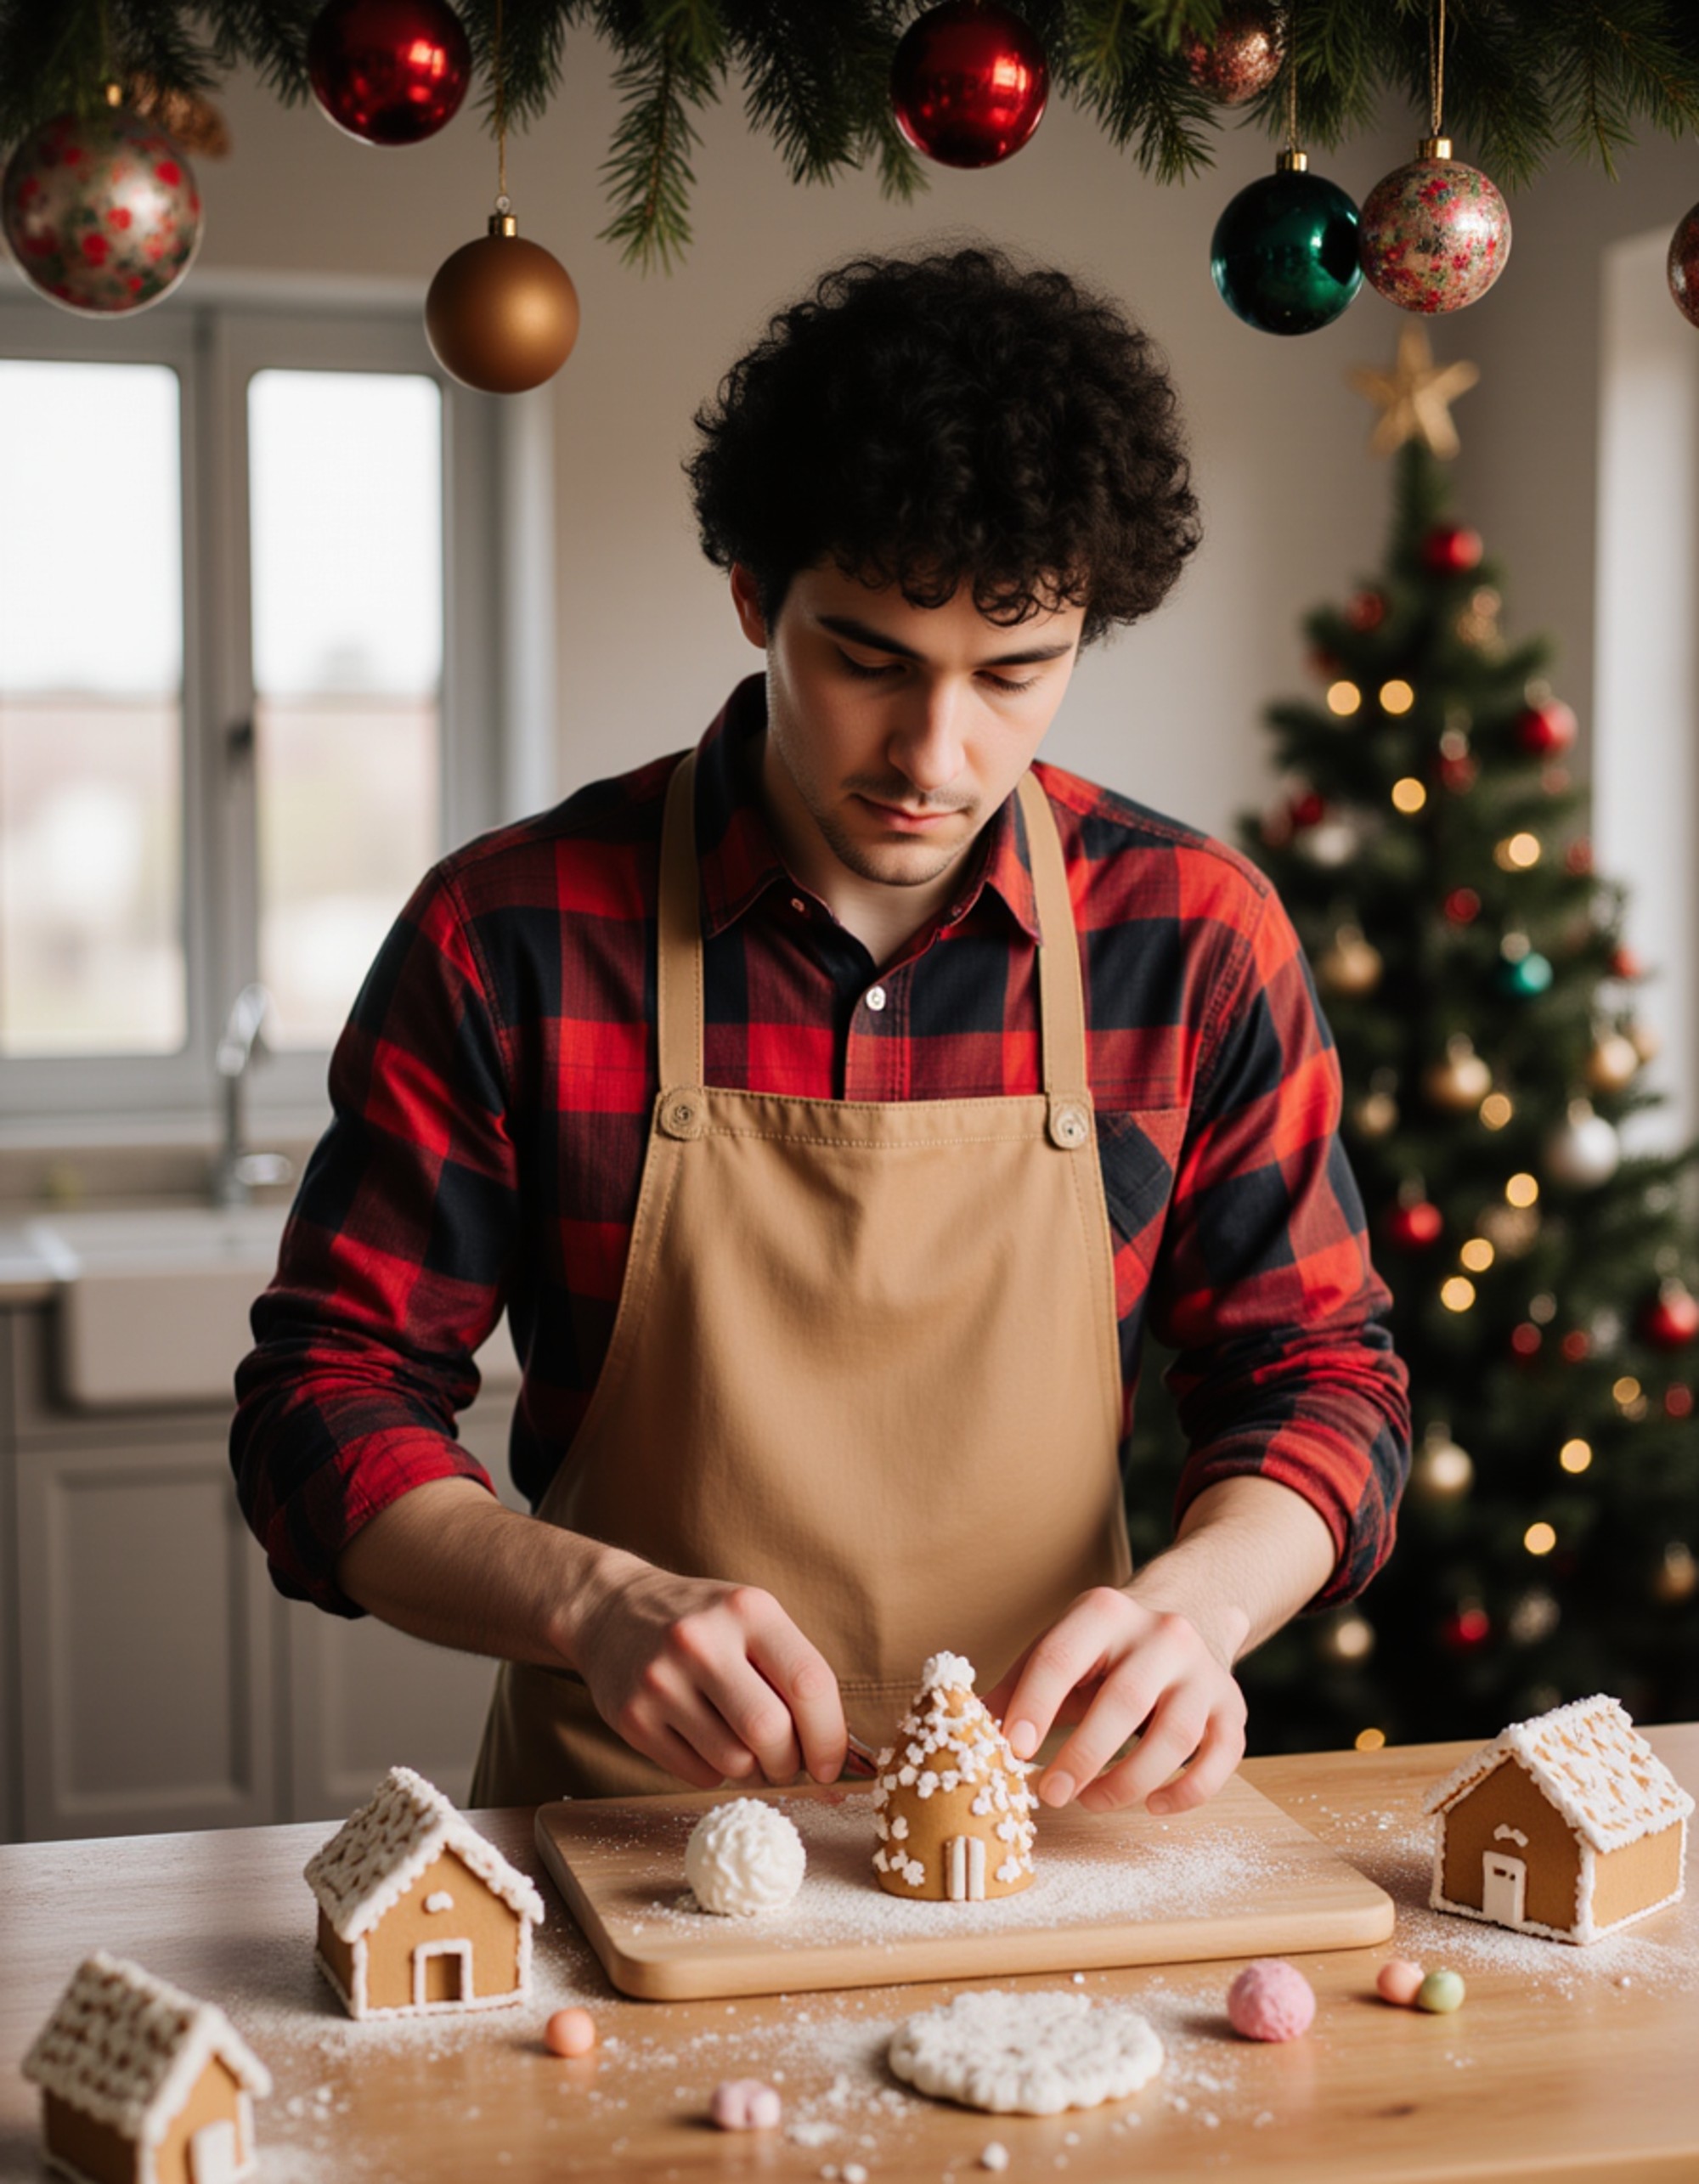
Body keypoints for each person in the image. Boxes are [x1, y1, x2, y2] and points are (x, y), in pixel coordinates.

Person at [231, 245, 1410, 1819]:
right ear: (752, 597)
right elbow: (326, 1403)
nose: (937, 752)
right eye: (870, 659)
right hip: (626, 1837)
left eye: (1015, 673)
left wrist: (1207, 1604)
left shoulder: (1196, 939)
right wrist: (590, 1605)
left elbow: (1323, 1374)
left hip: (1049, 1841)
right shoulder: (506, 933)